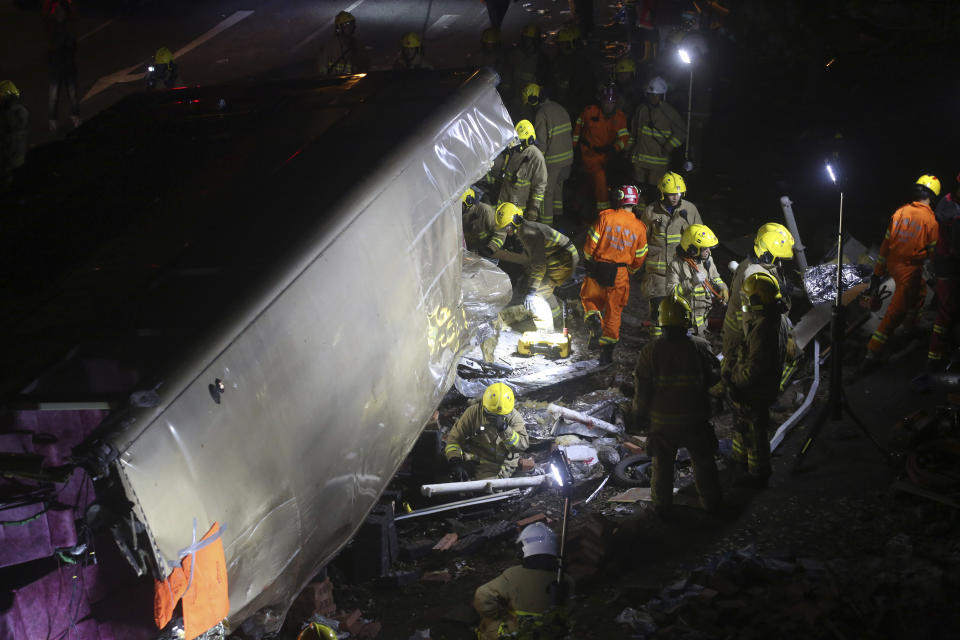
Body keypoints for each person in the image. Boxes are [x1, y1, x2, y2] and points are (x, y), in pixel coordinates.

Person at [632, 293, 722, 516]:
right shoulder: (701, 347)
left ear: (661, 322)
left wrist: (638, 414)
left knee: (661, 467)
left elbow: (642, 392)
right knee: (703, 463)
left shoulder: (650, 351)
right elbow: (714, 379)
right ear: (687, 319)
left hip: (663, 424)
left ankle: (662, 509)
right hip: (695, 419)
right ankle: (713, 505)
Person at [864, 175, 940, 369]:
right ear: (932, 196)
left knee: (920, 292)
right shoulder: (930, 220)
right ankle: (872, 353)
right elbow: (933, 254)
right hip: (910, 271)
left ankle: (910, 328)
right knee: (895, 313)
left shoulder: (901, 212)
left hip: (893, 265)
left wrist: (877, 273)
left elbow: (885, 245)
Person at [724, 272, 788, 488]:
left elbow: (754, 368)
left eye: (747, 299)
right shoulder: (777, 319)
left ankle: (757, 473)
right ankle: (740, 461)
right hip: (763, 387)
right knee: (745, 428)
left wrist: (735, 382)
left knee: (755, 434)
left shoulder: (763, 329)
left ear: (757, 301)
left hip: (754, 389)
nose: (744, 303)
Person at [580, 185, 648, 365]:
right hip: (620, 273)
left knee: (589, 297)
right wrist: (630, 271)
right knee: (614, 312)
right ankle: (606, 355)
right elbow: (640, 256)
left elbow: (590, 245)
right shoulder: (640, 227)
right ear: (635, 202)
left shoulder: (605, 217)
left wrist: (589, 262)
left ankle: (594, 316)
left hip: (599, 267)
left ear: (619, 198)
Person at [473, 522, 573, 640]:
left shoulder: (513, 575)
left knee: (488, 624)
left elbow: (482, 595)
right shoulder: (567, 580)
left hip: (520, 633)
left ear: (523, 549)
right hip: (552, 634)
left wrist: (497, 615)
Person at [495, 202, 579, 329]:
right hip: (561, 255)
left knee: (538, 293)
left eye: (507, 227)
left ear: (516, 221)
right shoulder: (525, 229)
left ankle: (548, 328)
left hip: (563, 258)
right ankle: (557, 317)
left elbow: (539, 265)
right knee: (541, 286)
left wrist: (531, 291)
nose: (507, 231)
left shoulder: (528, 233)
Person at [640, 171, 703, 335]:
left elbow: (700, 237)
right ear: (663, 193)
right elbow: (640, 240)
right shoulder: (651, 211)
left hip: (681, 272)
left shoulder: (690, 210)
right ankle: (657, 350)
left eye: (678, 193)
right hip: (657, 274)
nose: (675, 197)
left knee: (683, 312)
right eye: (671, 194)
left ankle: (680, 348)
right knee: (658, 315)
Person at [444, 382, 529, 480]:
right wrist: (455, 461)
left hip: (503, 465)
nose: (495, 418)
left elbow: (522, 446)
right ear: (484, 406)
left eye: (501, 415)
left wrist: (504, 429)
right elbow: (455, 440)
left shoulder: (514, 418)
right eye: (491, 414)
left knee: (488, 491)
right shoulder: (473, 413)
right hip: (476, 461)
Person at [572, 84, 630, 213]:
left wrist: (614, 149)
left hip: (604, 156)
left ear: (615, 103)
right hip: (587, 153)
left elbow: (624, 137)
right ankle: (602, 213)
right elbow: (578, 127)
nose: (608, 105)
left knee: (591, 182)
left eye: (611, 102)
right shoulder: (590, 111)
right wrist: (574, 149)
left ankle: (595, 213)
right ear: (601, 101)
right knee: (597, 180)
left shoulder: (619, 118)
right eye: (606, 102)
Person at [523, 83, 573, 226]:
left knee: (545, 194)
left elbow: (541, 142)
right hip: (567, 159)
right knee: (558, 187)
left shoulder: (541, 113)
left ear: (534, 99)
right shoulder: (559, 107)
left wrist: (536, 162)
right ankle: (558, 217)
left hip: (553, 161)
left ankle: (546, 227)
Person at [667, 223, 729, 335]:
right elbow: (672, 293)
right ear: (692, 248)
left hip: (701, 325)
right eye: (705, 248)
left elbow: (715, 277)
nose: (708, 251)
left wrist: (723, 288)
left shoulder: (708, 260)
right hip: (682, 325)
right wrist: (692, 282)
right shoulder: (676, 265)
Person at [627, 76, 685, 195]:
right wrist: (628, 149)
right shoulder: (641, 109)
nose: (653, 97)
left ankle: (652, 212)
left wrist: (668, 146)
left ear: (663, 95)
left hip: (658, 161)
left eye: (656, 95)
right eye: (651, 94)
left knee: (654, 191)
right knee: (638, 190)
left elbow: (681, 132)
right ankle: (639, 212)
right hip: (639, 158)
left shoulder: (670, 112)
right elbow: (634, 132)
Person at [928, 173, 960, 370]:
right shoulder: (950, 207)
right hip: (948, 265)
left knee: (950, 310)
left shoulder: (946, 202)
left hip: (947, 263)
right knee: (946, 311)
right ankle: (935, 357)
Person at [488, 120, 548, 222]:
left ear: (530, 140)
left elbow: (540, 185)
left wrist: (534, 207)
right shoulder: (515, 151)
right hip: (502, 200)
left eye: (521, 141)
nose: (518, 143)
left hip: (518, 206)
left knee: (514, 233)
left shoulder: (535, 157)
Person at [44, 0, 80, 132]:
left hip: (67, 64)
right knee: (54, 95)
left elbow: (73, 44)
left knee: (72, 94)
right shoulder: (52, 27)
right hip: (58, 66)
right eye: (57, 11)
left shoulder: (68, 26)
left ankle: (74, 116)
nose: (59, 13)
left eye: (61, 10)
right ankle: (53, 120)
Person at [502, 24, 547, 114]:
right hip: (515, 95)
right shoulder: (515, 54)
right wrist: (506, 90)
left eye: (530, 39)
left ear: (535, 41)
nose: (527, 42)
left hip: (531, 97)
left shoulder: (541, 57)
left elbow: (544, 78)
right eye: (525, 39)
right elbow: (508, 71)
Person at [318, 10, 369, 76]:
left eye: (351, 23)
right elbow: (322, 69)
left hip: (352, 82)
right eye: (346, 24)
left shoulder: (357, 45)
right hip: (335, 82)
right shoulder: (329, 47)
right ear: (339, 28)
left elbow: (365, 65)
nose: (350, 27)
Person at [0, 80, 29, 189]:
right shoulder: (20, 111)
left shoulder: (9, 114)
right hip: (15, 158)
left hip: (9, 161)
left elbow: (7, 136)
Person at [461, 188, 506, 257]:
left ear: (468, 202)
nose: (457, 208)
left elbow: (501, 233)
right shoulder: (459, 215)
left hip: (487, 251)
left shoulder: (485, 211)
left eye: (460, 205)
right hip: (469, 251)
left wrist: (490, 248)